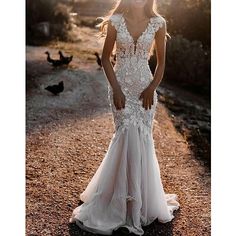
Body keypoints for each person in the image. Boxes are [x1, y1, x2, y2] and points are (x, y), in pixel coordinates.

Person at [69, 0, 180, 235]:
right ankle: (117, 201)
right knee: (125, 134)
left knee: (142, 138)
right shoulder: (116, 21)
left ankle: (139, 202)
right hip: (120, 87)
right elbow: (106, 59)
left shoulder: (159, 23)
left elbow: (161, 63)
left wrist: (152, 88)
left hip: (144, 88)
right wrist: (116, 88)